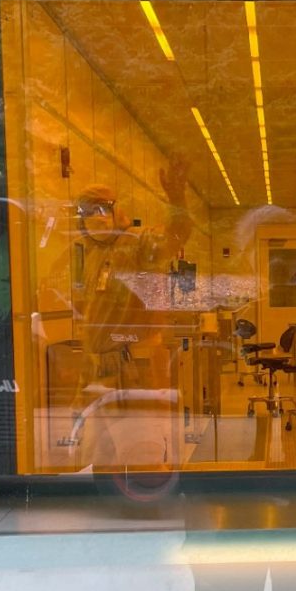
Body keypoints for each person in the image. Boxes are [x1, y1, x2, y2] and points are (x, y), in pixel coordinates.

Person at [71, 159, 191, 409]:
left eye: (102, 209)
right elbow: (94, 321)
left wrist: (178, 201)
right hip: (100, 371)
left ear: (116, 210)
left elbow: (174, 236)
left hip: (136, 368)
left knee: (138, 443)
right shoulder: (93, 256)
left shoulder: (136, 243)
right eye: (88, 212)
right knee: (96, 448)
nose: (97, 218)